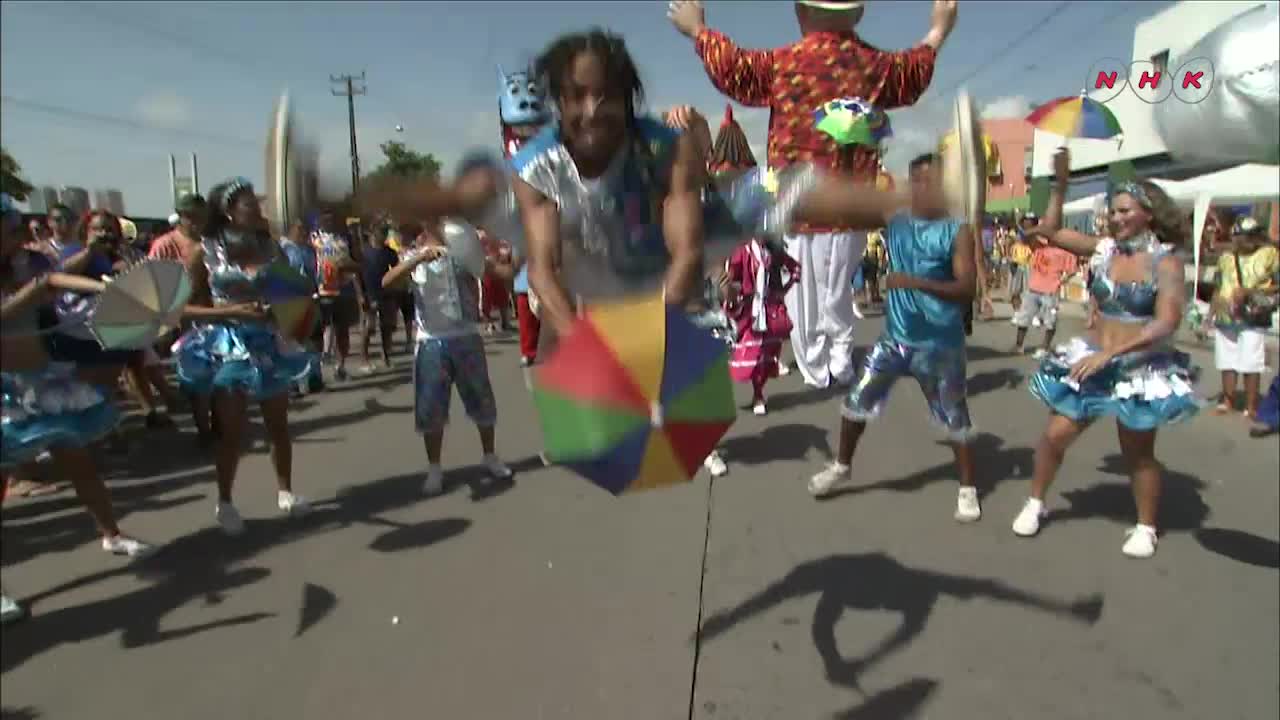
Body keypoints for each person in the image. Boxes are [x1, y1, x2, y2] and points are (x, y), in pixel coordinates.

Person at [670, 0, 957, 388]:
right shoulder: (876, 67)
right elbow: (915, 70)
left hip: (801, 210)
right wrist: (939, 29)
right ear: (857, 14)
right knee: (837, 292)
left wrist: (698, 30)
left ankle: (818, 368)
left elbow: (731, 68)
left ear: (799, 13)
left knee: (802, 300)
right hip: (852, 209)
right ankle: (838, 357)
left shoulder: (783, 64)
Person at [1012, 149, 1199, 559]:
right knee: (1054, 435)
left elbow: (1166, 322)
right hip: (1092, 359)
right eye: (1112, 212)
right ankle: (1036, 502)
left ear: (1148, 213)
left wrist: (1113, 355)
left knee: (1137, 451)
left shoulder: (1165, 263)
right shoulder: (1104, 250)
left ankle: (1146, 526)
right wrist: (1060, 185)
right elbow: (1052, 232)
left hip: (1136, 366)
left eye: (1124, 211)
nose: (1115, 219)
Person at [2, 193, 155, 624]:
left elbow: (57, 279)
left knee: (80, 463)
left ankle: (112, 535)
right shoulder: (28, 279)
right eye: (10, 228)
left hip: (42, 385)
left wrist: (104, 285)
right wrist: (34, 292)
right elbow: (33, 295)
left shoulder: (30, 267)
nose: (18, 234)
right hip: (5, 397)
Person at [805, 154, 982, 523]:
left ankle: (968, 488)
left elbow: (967, 288)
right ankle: (842, 465)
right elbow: (850, 207)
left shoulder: (957, 229)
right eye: (915, 180)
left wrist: (915, 282)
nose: (921, 187)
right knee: (856, 402)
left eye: (929, 181)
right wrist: (847, 153)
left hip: (940, 344)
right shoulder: (897, 222)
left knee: (954, 417)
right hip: (896, 338)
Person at [174, 178, 316, 535]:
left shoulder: (271, 247)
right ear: (228, 210)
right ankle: (225, 501)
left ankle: (285, 491)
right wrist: (227, 312)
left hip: (268, 343)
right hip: (228, 344)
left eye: (256, 202)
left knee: (278, 425)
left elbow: (292, 292)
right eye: (249, 203)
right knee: (232, 429)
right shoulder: (203, 252)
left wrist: (286, 309)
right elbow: (182, 309)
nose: (256, 208)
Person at [381, 222, 512, 494]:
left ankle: (489, 456)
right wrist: (418, 259)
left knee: (481, 398)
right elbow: (387, 282)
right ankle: (434, 469)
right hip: (431, 341)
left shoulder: (463, 252)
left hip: (466, 336)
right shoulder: (411, 256)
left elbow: (492, 272)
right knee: (432, 408)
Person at [1207, 216, 1278, 418]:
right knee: (1226, 360)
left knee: (1251, 362)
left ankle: (1251, 406)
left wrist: (1249, 291)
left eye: (1248, 236)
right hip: (1225, 316)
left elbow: (1277, 283)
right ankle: (1228, 400)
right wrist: (1209, 317)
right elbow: (1217, 287)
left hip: (1253, 317)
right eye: (1239, 236)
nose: (1242, 240)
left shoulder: (1270, 254)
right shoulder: (1225, 258)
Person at [725, 237, 800, 415]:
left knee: (765, 355)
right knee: (749, 355)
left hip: (770, 309)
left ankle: (758, 394)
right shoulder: (742, 251)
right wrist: (730, 293)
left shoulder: (773, 250)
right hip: (749, 311)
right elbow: (729, 277)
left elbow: (795, 268)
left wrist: (783, 290)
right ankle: (756, 394)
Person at [312, 209, 362, 381]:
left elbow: (358, 263)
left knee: (342, 330)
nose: (329, 222)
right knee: (320, 329)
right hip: (322, 290)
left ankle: (340, 367)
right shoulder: (314, 239)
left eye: (332, 219)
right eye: (325, 219)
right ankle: (316, 368)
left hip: (344, 290)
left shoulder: (346, 238)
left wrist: (347, 268)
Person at [1010, 231, 1077, 358]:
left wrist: (1062, 280)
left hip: (1050, 291)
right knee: (1023, 318)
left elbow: (1073, 270)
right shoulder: (1039, 247)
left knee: (1050, 321)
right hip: (1033, 288)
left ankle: (1044, 348)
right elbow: (1025, 236)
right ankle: (1019, 346)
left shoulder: (1064, 253)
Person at [280, 219, 326, 396]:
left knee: (314, 341)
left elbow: (315, 273)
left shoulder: (309, 250)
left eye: (305, 229)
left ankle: (315, 378)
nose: (303, 232)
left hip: (310, 299)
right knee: (293, 343)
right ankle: (293, 384)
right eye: (299, 229)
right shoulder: (283, 249)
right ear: (291, 230)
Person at [359, 223, 402, 373]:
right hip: (369, 293)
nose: (382, 236)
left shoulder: (390, 252)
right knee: (368, 328)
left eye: (385, 233)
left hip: (386, 293)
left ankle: (386, 356)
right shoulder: (364, 252)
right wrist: (361, 295)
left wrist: (396, 289)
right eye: (380, 232)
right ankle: (364, 359)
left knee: (387, 328)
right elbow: (356, 275)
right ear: (372, 233)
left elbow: (397, 272)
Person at [1007, 217, 1033, 310]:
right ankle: (1016, 309)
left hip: (1027, 263)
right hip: (1016, 263)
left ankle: (1022, 308)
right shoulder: (1015, 232)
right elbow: (1008, 243)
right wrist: (1009, 257)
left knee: (1027, 289)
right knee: (1015, 289)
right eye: (1026, 222)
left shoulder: (1031, 233)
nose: (1027, 224)